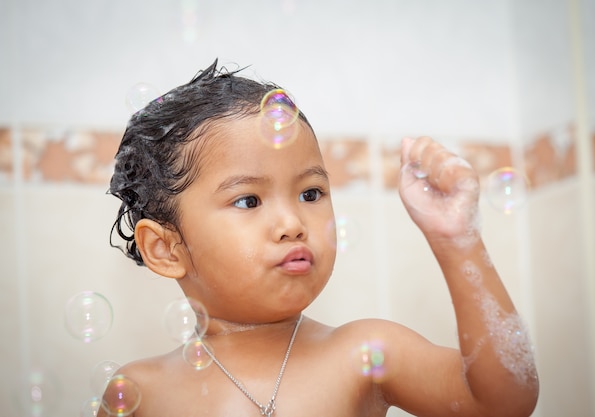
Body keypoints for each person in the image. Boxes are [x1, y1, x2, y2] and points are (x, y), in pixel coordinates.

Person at [102, 58, 539, 417]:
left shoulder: (363, 353)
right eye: (248, 201)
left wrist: (457, 239)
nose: (293, 222)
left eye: (311, 193)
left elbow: (503, 402)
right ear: (165, 248)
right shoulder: (143, 391)